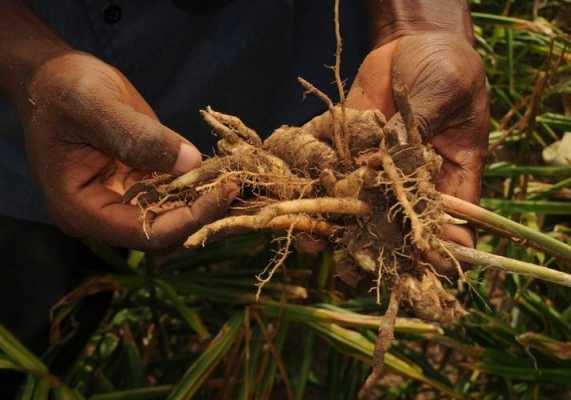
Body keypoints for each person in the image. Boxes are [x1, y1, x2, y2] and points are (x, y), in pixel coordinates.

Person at [0, 0, 488, 379]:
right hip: (38, 102)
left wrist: (422, 24)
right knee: (34, 297)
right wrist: (28, 66)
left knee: (292, 226)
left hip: (315, 67)